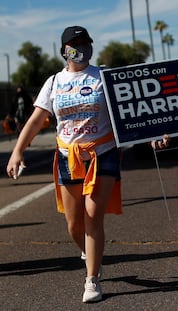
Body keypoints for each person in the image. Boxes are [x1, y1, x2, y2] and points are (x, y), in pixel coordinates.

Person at [7, 26, 122, 303]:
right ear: (64, 50)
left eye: (85, 42)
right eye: (75, 43)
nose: (81, 47)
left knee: (93, 214)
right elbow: (36, 119)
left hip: (101, 153)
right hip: (68, 157)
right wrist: (17, 151)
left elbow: (129, 111)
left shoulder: (103, 77)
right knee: (74, 224)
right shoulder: (54, 82)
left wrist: (154, 136)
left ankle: (91, 279)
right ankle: (89, 251)